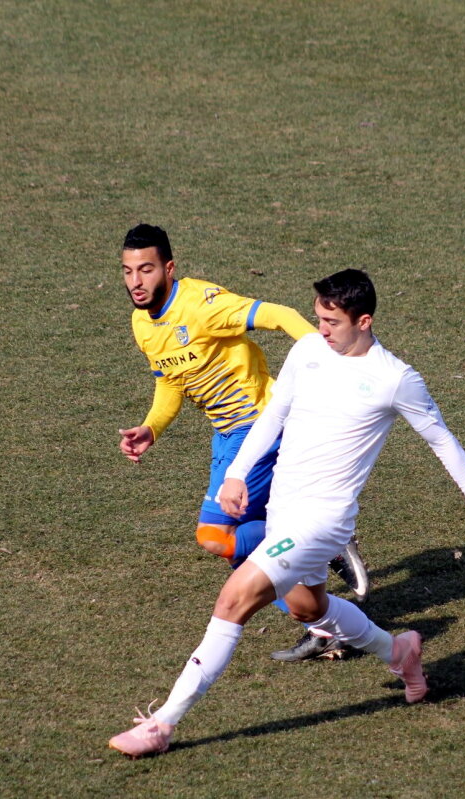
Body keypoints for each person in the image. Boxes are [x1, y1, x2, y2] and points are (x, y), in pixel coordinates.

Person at [109, 268, 465, 758]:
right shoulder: (307, 351)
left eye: (331, 322)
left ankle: (163, 724)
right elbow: (274, 415)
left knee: (234, 599)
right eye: (318, 318)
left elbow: (442, 441)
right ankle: (399, 650)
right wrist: (236, 474)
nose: (320, 329)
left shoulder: (394, 379)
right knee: (308, 608)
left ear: (363, 321)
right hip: (283, 509)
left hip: (323, 520)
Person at [116, 224, 370, 654]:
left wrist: (324, 358)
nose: (136, 281)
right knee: (239, 551)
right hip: (225, 435)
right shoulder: (142, 323)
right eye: (128, 271)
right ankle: (323, 625)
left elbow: (279, 314)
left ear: (169, 269)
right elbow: (171, 380)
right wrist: (152, 426)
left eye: (146, 269)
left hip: (259, 427)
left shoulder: (202, 304)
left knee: (215, 535)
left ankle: (317, 538)